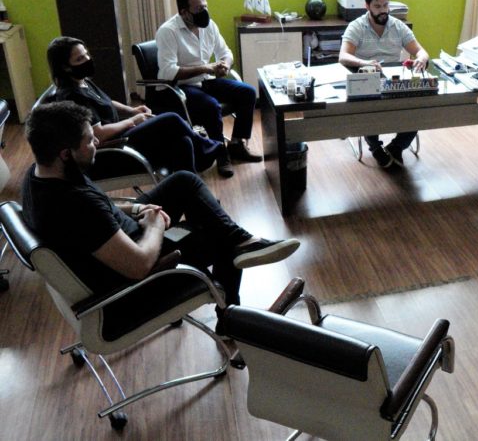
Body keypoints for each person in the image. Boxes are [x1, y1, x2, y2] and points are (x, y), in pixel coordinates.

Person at [22, 101, 300, 328]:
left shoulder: (40, 176)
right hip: (139, 271)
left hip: (122, 234)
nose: (96, 140)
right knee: (215, 234)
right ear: (65, 154)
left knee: (183, 181)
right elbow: (139, 265)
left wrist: (137, 208)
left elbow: (100, 207)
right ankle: (231, 321)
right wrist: (154, 226)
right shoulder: (75, 206)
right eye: (88, 140)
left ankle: (243, 240)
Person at [47, 36, 222, 175]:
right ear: (65, 67)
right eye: (79, 59)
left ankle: (192, 195)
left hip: (121, 136)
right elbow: (98, 133)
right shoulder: (72, 96)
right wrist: (133, 120)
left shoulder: (81, 81)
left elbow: (106, 102)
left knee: (183, 143)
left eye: (86, 54)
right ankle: (210, 148)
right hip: (113, 149)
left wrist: (131, 110)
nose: (87, 59)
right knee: (172, 119)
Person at [156, 0, 260, 178]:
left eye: (205, 7)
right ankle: (221, 154)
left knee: (248, 92)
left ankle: (236, 144)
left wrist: (225, 65)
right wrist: (205, 68)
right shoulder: (168, 31)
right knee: (211, 106)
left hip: (206, 80)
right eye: (198, 9)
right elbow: (168, 72)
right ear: (184, 12)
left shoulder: (209, 26)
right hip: (181, 87)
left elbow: (225, 52)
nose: (204, 12)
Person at [339, 0, 430, 169]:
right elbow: (343, 56)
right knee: (369, 108)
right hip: (367, 77)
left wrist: (421, 58)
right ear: (367, 6)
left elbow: (421, 51)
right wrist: (364, 62)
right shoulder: (357, 26)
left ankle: (397, 147)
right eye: (377, 6)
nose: (383, 11)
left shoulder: (398, 26)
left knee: (419, 105)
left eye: (386, 5)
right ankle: (375, 148)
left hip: (392, 79)